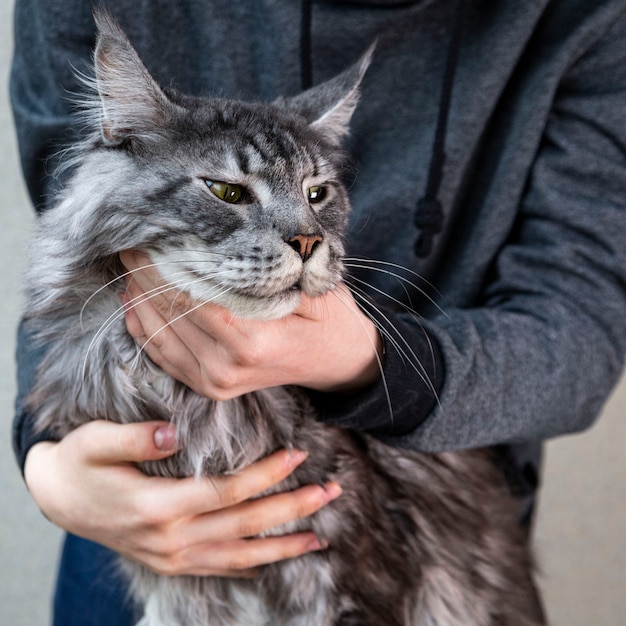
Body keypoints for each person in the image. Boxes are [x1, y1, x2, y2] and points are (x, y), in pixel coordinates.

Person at [10, 0, 626, 624]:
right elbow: (78, 249)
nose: (301, 237)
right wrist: (47, 460)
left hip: (418, 491)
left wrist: (370, 361)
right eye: (230, 191)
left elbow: (580, 323)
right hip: (122, 509)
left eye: (315, 196)